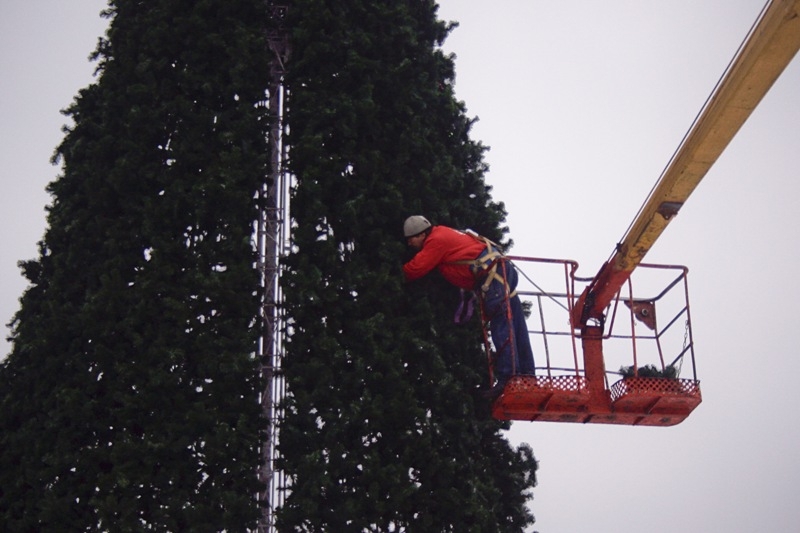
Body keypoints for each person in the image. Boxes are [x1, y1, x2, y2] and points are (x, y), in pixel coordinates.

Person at [401, 215, 535, 397]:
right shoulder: (444, 232)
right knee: (516, 324)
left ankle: (508, 380)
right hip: (501, 270)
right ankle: (528, 377)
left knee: (501, 325)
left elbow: (416, 268)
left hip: (492, 276)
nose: (410, 244)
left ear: (422, 234)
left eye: (412, 239)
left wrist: (393, 275)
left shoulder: (436, 240)